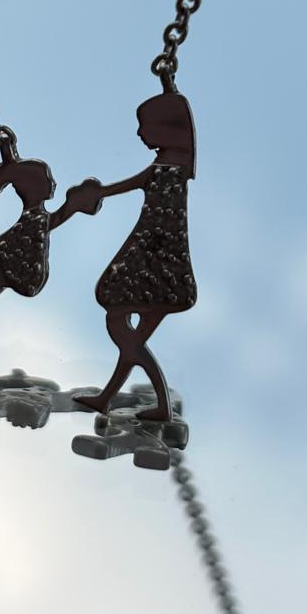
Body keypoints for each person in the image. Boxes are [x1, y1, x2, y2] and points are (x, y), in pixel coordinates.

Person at [72, 90, 197, 423]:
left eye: (145, 126)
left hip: (155, 264)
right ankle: (111, 398)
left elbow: (136, 186)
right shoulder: (166, 167)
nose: (140, 133)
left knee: (122, 329)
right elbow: (132, 183)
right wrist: (99, 193)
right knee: (132, 343)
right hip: (161, 265)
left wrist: (99, 193)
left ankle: (136, 402)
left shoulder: (170, 170)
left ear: (168, 129)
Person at [0, 155, 100, 333]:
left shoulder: (39, 218)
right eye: (49, 180)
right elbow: (63, 213)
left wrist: (78, 201)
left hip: (17, 253)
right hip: (20, 255)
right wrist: (77, 202)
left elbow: (65, 212)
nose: (54, 183)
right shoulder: (42, 220)